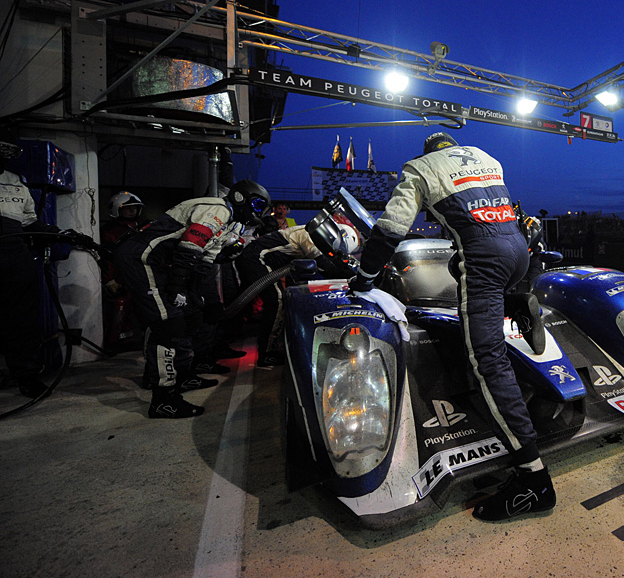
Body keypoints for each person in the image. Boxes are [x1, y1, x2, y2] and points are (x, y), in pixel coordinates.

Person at [348, 132, 555, 521]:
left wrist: (365, 276)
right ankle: (515, 303)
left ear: (429, 153)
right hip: (517, 254)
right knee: (455, 265)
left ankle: (534, 481)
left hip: (485, 261)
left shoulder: (420, 168)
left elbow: (392, 228)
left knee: (488, 364)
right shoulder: (485, 154)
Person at [115, 180, 270, 418]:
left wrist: (192, 289)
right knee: (168, 323)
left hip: (157, 260)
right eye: (257, 205)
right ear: (241, 198)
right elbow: (191, 243)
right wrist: (178, 285)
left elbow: (205, 258)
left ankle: (183, 374)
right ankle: (163, 398)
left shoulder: (228, 220)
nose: (257, 212)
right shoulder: (219, 208)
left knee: (191, 314)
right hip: (142, 257)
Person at [235, 219, 356, 367]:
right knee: (277, 300)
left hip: (260, 259)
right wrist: (352, 277)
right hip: (256, 259)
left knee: (252, 301)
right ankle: (266, 353)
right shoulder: (311, 235)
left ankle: (225, 341)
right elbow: (324, 265)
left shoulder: (317, 233)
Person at [0, 141, 53, 398]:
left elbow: (29, 219)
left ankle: (27, 376)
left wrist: (50, 232)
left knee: (23, 319)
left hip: (15, 252)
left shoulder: (14, 180)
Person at [100, 191, 146, 350]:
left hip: (141, 274)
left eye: (135, 208)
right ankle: (118, 342)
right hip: (121, 276)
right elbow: (106, 257)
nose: (132, 211)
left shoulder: (143, 227)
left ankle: (142, 340)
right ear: (116, 209)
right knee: (121, 307)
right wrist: (109, 280)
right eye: (127, 208)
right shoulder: (109, 231)